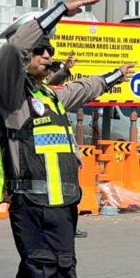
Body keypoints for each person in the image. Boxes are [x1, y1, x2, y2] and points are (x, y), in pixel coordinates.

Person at [0, 0, 135, 278]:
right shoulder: (9, 95)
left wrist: (115, 75)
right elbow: (13, 50)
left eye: (50, 51)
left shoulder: (47, 96)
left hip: (60, 209)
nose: (47, 56)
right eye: (40, 49)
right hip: (35, 209)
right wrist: (58, 12)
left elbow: (84, 89)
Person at [45, 52, 88, 239]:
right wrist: (64, 70)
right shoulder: (41, 97)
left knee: (73, 195)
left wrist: (76, 153)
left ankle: (70, 227)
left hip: (66, 158)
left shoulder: (59, 102)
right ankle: (59, 228)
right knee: (57, 198)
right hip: (49, 159)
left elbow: (67, 132)